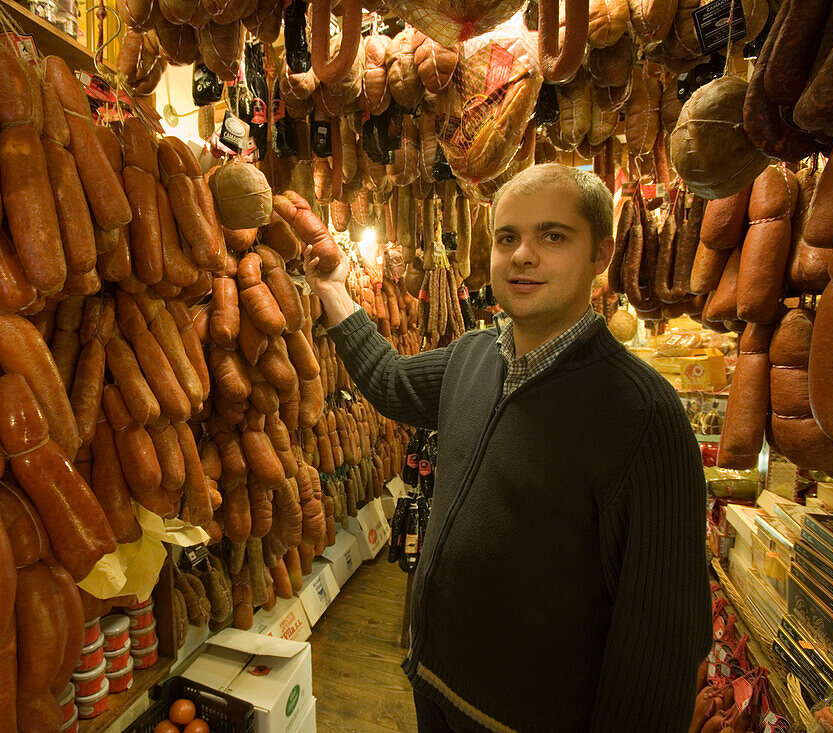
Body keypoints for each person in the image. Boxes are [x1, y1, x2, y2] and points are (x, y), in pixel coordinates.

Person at [303, 164, 711, 732]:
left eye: (553, 236)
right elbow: (391, 381)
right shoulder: (474, 355)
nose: (522, 255)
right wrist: (331, 290)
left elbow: (660, 646)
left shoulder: (644, 417)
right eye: (507, 237)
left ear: (602, 255)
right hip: (434, 691)